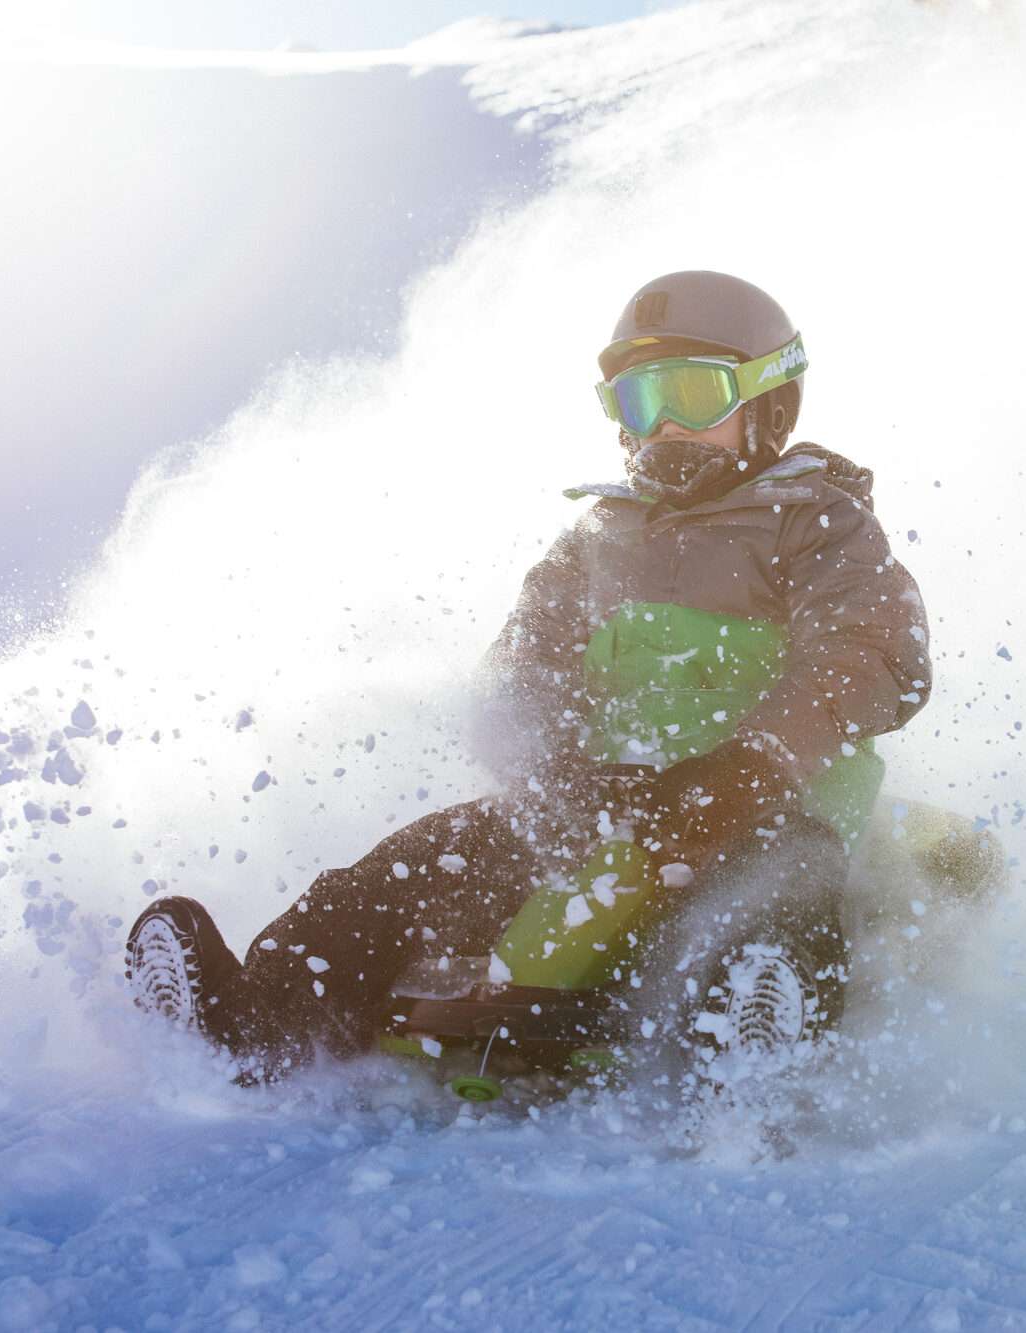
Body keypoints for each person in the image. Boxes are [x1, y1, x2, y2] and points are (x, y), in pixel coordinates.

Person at [125, 270, 932, 1081]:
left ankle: (751, 1036)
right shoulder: (596, 540)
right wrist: (553, 770)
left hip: (766, 799)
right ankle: (263, 1014)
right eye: (639, 404)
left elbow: (872, 646)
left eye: (695, 395)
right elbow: (522, 670)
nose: (667, 429)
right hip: (612, 794)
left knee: (774, 898)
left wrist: (753, 766)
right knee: (410, 867)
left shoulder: (815, 520)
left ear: (769, 404)